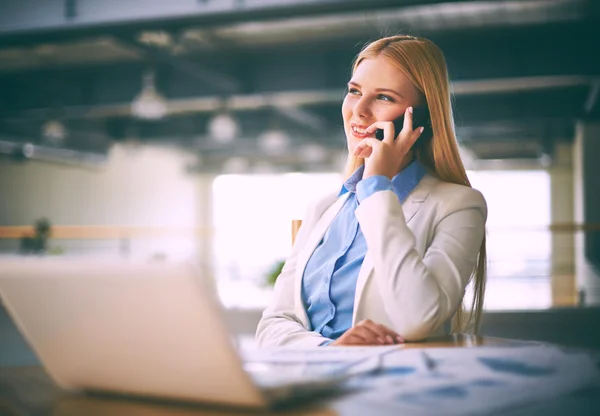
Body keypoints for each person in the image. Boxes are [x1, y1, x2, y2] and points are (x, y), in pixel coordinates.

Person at [256, 35, 487, 347]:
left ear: (421, 119)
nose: (359, 111)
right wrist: (331, 350)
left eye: (385, 98)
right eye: (354, 92)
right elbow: (272, 326)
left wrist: (376, 187)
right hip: (312, 382)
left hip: (394, 389)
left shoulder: (458, 206)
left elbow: (419, 318)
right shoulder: (323, 208)